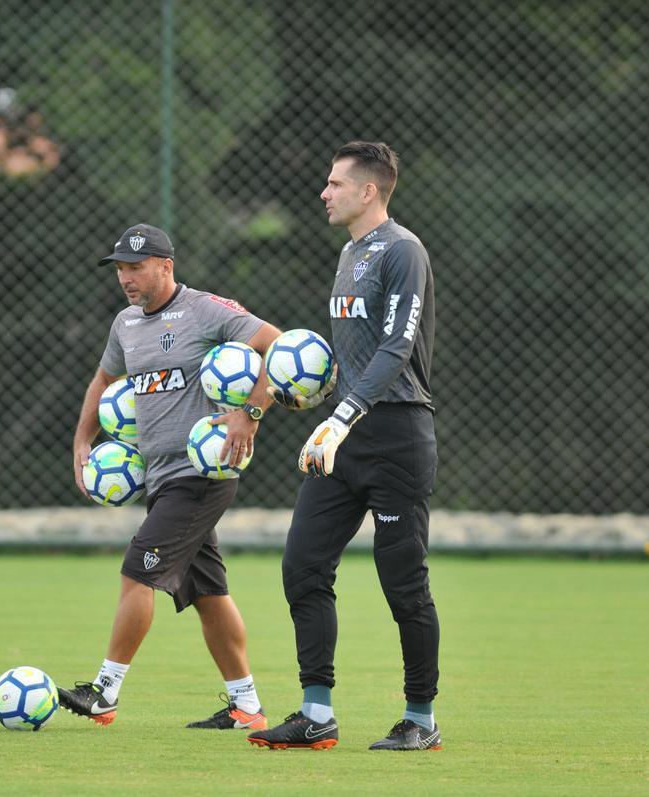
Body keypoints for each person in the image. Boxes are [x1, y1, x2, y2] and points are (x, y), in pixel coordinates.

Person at [247, 142, 442, 752]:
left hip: (396, 435)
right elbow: (357, 358)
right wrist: (320, 400)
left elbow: (396, 349)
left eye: (334, 184)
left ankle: (421, 719)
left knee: (402, 583)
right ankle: (316, 711)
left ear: (368, 192)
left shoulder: (403, 250)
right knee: (303, 565)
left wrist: (344, 417)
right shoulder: (350, 252)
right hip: (343, 434)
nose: (324, 193)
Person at [61, 223, 282, 732]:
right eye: (120, 269)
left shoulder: (205, 309)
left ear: (166, 265)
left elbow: (280, 347)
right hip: (159, 478)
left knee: (138, 571)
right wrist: (81, 439)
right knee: (208, 593)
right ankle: (246, 706)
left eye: (136, 267)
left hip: (203, 471)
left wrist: (251, 410)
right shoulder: (126, 325)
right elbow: (103, 380)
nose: (126, 278)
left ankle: (104, 693)